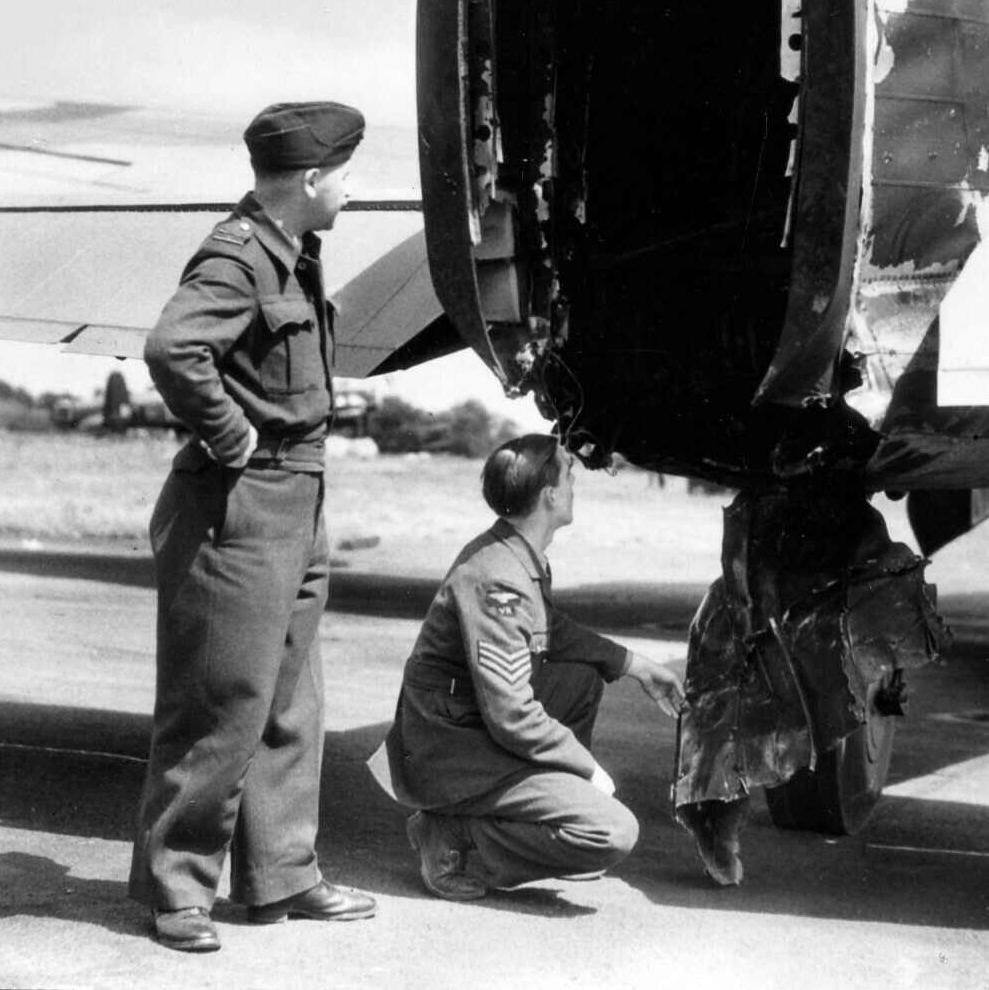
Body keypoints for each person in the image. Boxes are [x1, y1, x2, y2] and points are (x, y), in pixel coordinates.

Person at [128, 101, 376, 952]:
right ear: (310, 180)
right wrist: (230, 434)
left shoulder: (291, 256)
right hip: (238, 501)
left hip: (295, 498)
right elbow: (172, 348)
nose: (351, 188)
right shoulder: (238, 257)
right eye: (344, 174)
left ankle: (280, 876)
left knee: (289, 701)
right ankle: (176, 891)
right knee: (219, 701)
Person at [379, 434, 685, 900]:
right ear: (549, 495)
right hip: (452, 751)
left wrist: (635, 665)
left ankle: (544, 813)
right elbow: (511, 713)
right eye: (569, 471)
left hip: (465, 723)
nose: (576, 479)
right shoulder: (498, 578)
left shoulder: (514, 554)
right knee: (611, 832)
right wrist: (586, 767)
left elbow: (551, 629)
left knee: (582, 678)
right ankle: (452, 838)